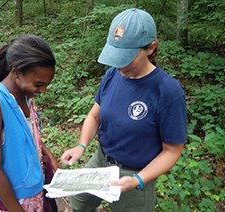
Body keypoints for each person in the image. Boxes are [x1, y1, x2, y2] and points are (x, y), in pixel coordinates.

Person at [61, 8, 187, 212]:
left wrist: (137, 180)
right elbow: (94, 115)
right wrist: (81, 145)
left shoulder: (167, 92)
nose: (119, 65)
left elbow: (172, 151)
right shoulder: (112, 75)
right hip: (101, 160)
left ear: (151, 48)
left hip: (136, 173)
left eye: (126, 57)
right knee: (80, 203)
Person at [0, 35, 61, 212]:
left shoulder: (25, 95)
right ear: (16, 72)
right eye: (39, 84)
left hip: (32, 191)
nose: (43, 90)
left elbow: (29, 135)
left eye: (46, 85)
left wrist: (48, 155)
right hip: (9, 200)